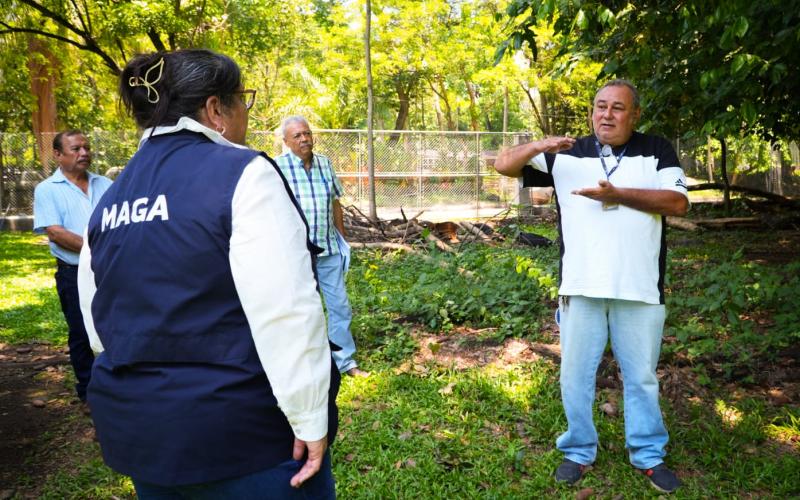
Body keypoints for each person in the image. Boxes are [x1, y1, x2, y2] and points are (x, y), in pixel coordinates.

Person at [77, 49, 339, 498]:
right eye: (242, 100)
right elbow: (286, 312)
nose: (245, 115)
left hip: (145, 438)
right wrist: (310, 416)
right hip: (244, 439)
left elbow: (98, 326)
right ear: (216, 110)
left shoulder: (112, 197)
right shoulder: (244, 174)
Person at [495, 79, 689, 494]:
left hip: (639, 288)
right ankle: (579, 450)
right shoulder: (566, 154)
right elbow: (503, 164)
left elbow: (676, 202)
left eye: (618, 108)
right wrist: (540, 145)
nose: (607, 114)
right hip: (581, 286)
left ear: (634, 115)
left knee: (640, 378)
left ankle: (648, 455)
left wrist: (618, 194)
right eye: (600, 106)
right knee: (575, 375)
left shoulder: (656, 149)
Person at [276, 116, 367, 377]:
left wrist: (342, 238)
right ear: (286, 142)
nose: (304, 139)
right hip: (296, 255)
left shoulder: (325, 164)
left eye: (307, 133)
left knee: (340, 306)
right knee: (301, 309)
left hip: (328, 251)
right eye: (297, 136)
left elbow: (335, 203)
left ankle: (345, 362)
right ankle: (304, 365)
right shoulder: (277, 168)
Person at [33, 130, 112, 403]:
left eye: (86, 147)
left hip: (109, 270)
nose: (84, 153)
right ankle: (90, 394)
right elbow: (56, 233)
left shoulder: (106, 184)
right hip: (73, 272)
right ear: (57, 154)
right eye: (76, 148)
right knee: (81, 331)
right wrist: (98, 251)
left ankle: (119, 386)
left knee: (115, 325)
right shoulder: (46, 190)